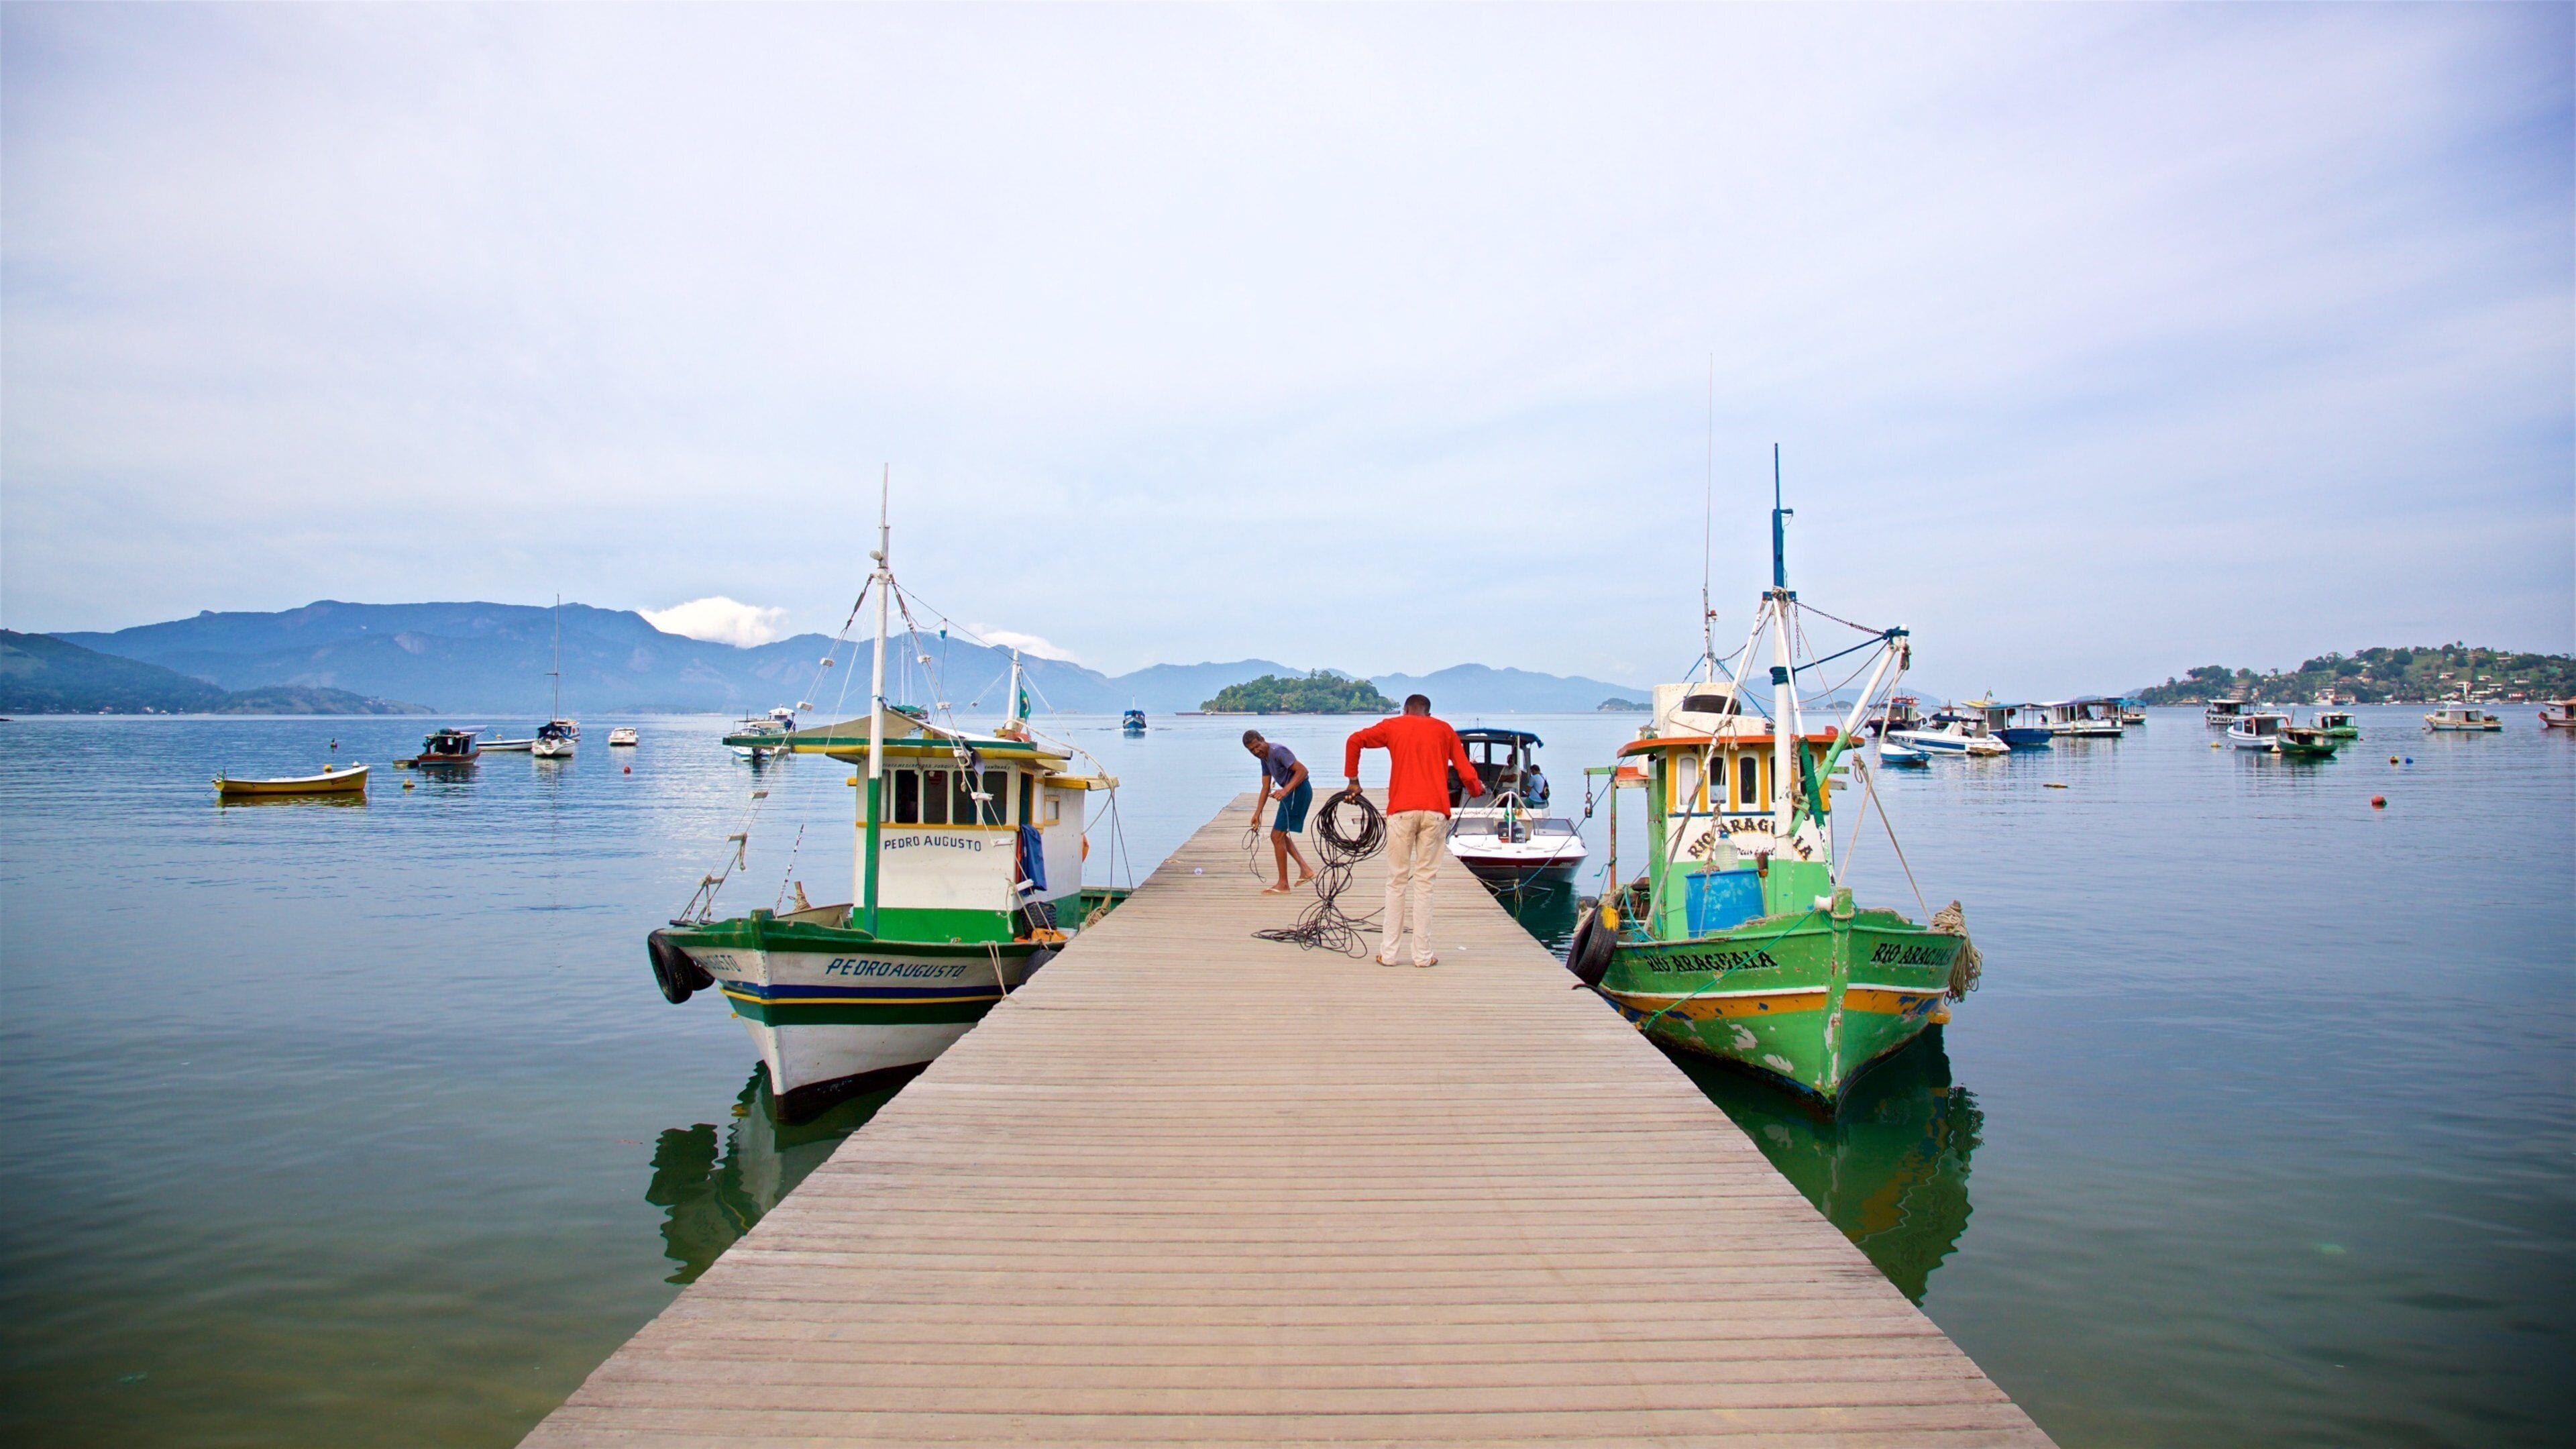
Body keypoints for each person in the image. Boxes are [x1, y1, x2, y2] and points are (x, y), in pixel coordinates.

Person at [1342, 695, 1481, 967]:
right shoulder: (1444, 730)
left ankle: (1390, 954)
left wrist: (1354, 781)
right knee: (1425, 883)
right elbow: (1466, 771)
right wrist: (1476, 790)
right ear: (1429, 713)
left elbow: (1354, 740)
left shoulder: (1393, 726)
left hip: (1402, 811)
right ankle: (1423, 956)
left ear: (1405, 710)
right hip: (1435, 812)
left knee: (1396, 882)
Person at [1243, 731, 1316, 894]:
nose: (1256, 751)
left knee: (1277, 836)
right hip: (1291, 793)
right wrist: (1257, 813)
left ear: (1263, 740)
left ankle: (1284, 884)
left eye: (1257, 746)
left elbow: (1303, 771)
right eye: (1251, 750)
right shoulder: (1264, 758)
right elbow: (1265, 787)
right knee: (1279, 835)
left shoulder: (1278, 751)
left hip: (1298, 791)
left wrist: (1285, 791)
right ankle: (1305, 870)